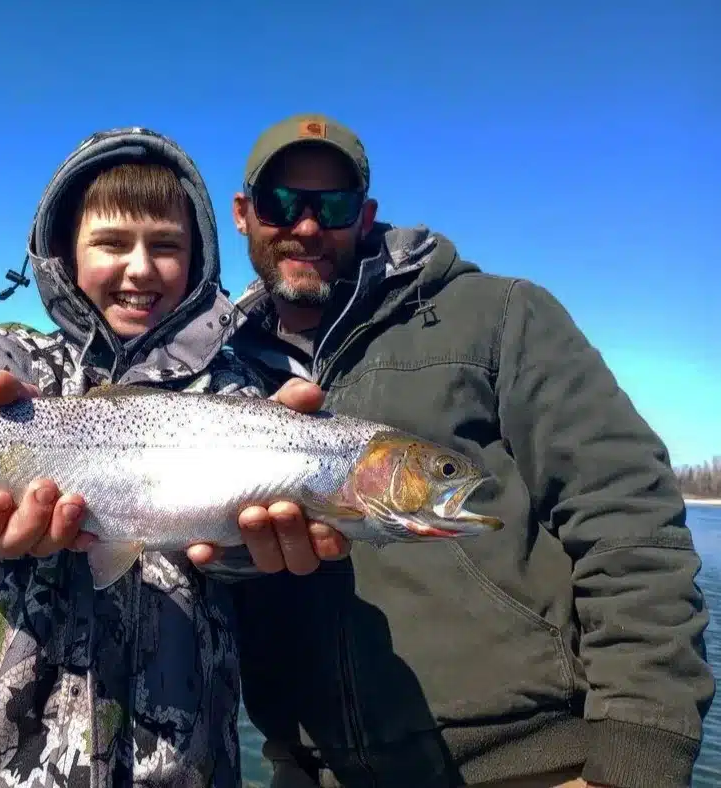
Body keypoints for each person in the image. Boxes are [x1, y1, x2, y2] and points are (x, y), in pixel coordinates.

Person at [222, 113, 715, 788]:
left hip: (533, 766)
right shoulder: (218, 371)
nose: (307, 226)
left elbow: (630, 518)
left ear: (364, 216)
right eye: (283, 203)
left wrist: (637, 757)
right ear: (244, 214)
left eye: (331, 206)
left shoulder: (500, 315)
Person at [0, 126, 332, 788]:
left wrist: (262, 549)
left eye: (166, 246)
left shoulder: (240, 398)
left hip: (183, 768)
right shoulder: (11, 362)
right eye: (111, 244)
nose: (139, 267)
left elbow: (245, 561)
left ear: (199, 260)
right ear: (64, 255)